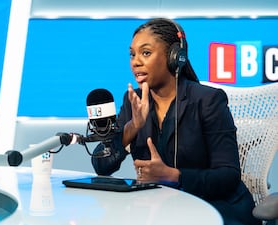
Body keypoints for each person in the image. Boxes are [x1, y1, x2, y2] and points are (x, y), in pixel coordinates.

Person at [91, 18, 261, 225]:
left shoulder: (208, 101)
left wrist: (173, 175)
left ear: (174, 57)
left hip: (215, 208)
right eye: (132, 54)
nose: (135, 61)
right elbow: (101, 165)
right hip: (161, 210)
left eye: (146, 53)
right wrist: (132, 126)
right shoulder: (133, 101)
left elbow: (228, 176)